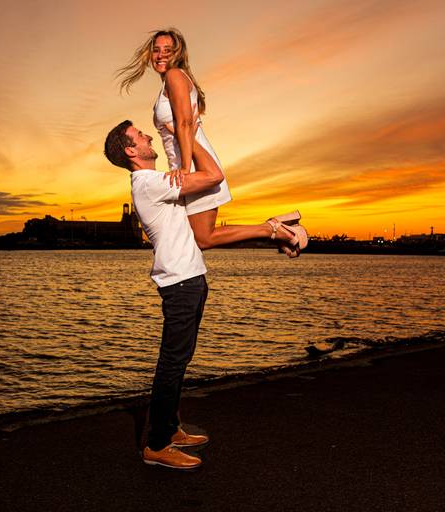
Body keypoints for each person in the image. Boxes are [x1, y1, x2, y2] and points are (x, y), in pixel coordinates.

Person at [104, 120, 303, 470]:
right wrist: (190, 132)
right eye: (140, 136)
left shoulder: (158, 182)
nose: (148, 136)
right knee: (171, 363)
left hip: (190, 278)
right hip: (179, 283)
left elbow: (204, 231)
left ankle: (170, 428)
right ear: (130, 151)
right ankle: (157, 445)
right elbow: (213, 176)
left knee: (179, 361)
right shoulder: (148, 183)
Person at [118, 28, 307, 256]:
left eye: (167, 51)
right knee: (201, 237)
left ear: (177, 54)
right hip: (189, 159)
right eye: (156, 50)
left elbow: (185, 124)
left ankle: (274, 229)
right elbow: (183, 124)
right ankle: (275, 229)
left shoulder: (174, 75)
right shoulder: (172, 81)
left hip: (195, 162)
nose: (160, 56)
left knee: (203, 238)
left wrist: (185, 169)